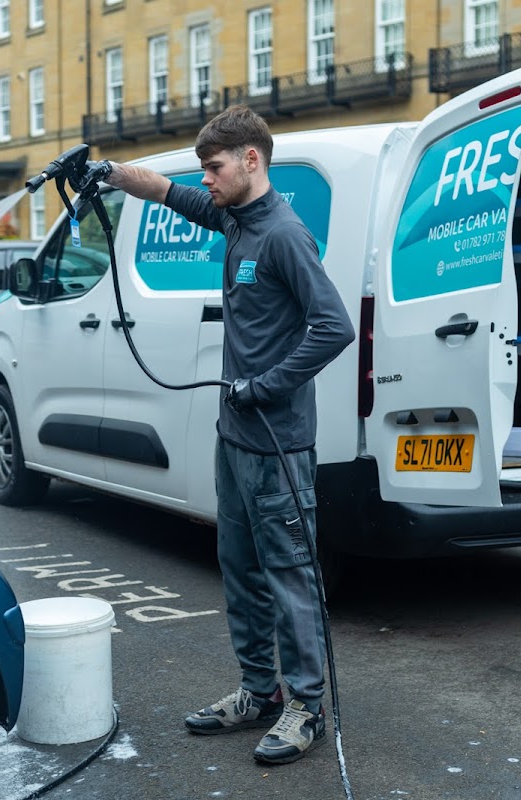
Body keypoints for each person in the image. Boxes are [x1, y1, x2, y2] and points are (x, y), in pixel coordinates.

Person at [94, 105, 355, 765]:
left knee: (289, 574)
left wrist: (264, 385)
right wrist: (105, 172)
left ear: (250, 161)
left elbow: (333, 327)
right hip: (233, 438)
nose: (204, 179)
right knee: (238, 569)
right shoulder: (234, 218)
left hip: (277, 441)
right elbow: (168, 192)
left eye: (213, 167)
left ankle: (304, 707)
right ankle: (258, 692)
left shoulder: (283, 236)